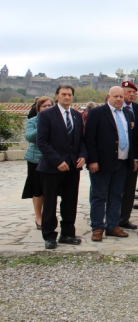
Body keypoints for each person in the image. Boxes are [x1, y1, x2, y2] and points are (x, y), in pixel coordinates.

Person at [36, 84, 87, 250]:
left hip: (72, 167)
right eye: (63, 94)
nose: (67, 97)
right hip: (52, 167)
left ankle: (68, 233)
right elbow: (42, 141)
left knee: (70, 202)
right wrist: (57, 161)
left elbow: (82, 141)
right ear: (57, 96)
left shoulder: (77, 116)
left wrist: (83, 156)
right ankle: (49, 236)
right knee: (50, 202)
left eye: (70, 95)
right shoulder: (47, 115)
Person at [85, 86, 138, 241]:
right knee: (99, 196)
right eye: (116, 96)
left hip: (122, 163)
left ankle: (112, 226)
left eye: (121, 97)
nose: (119, 99)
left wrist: (134, 158)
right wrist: (92, 160)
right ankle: (97, 227)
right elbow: (90, 138)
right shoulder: (97, 113)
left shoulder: (128, 114)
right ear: (108, 97)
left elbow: (132, 139)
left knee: (116, 195)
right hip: (102, 163)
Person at [23, 96, 54, 230]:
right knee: (37, 190)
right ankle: (38, 217)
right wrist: (42, 124)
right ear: (38, 108)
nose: (47, 108)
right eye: (44, 106)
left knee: (51, 190)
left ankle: (49, 216)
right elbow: (29, 137)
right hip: (36, 159)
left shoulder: (57, 121)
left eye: (49, 106)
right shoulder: (33, 121)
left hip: (52, 159)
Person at [117, 81, 138, 231]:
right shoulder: (114, 109)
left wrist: (136, 157)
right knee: (114, 189)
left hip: (133, 155)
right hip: (116, 156)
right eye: (128, 92)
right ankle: (112, 217)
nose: (131, 95)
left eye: (134, 92)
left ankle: (124, 218)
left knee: (129, 189)